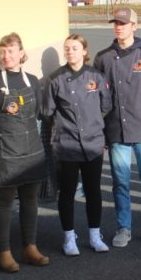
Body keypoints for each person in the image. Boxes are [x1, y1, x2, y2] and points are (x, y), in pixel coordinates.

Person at [0, 32, 50, 273]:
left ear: (21, 53)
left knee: (30, 201)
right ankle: (5, 253)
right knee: (3, 204)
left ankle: (30, 248)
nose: (6, 55)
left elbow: (38, 112)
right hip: (4, 154)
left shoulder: (33, 81)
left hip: (31, 152)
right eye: (3, 52)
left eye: (11, 51)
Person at [93, 8, 141, 247]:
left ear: (135, 26)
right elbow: (97, 98)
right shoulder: (103, 58)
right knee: (120, 183)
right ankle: (123, 228)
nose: (119, 27)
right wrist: (101, 130)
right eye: (116, 23)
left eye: (124, 23)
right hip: (116, 131)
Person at [43, 34, 112, 256]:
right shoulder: (56, 79)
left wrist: (92, 123)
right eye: (67, 48)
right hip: (66, 145)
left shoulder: (96, 76)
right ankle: (69, 238)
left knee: (93, 191)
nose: (70, 52)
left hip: (92, 144)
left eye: (74, 48)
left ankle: (95, 235)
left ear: (84, 51)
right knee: (67, 193)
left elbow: (106, 105)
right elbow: (46, 112)